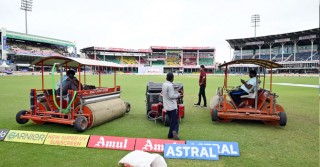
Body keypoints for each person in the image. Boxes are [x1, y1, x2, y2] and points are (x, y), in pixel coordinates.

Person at [162, 72, 181, 140]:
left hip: (166, 106)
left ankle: (170, 135)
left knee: (173, 121)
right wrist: (178, 95)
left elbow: (166, 94)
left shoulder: (164, 84)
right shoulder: (170, 86)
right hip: (172, 106)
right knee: (175, 121)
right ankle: (174, 132)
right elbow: (171, 96)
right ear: (172, 78)